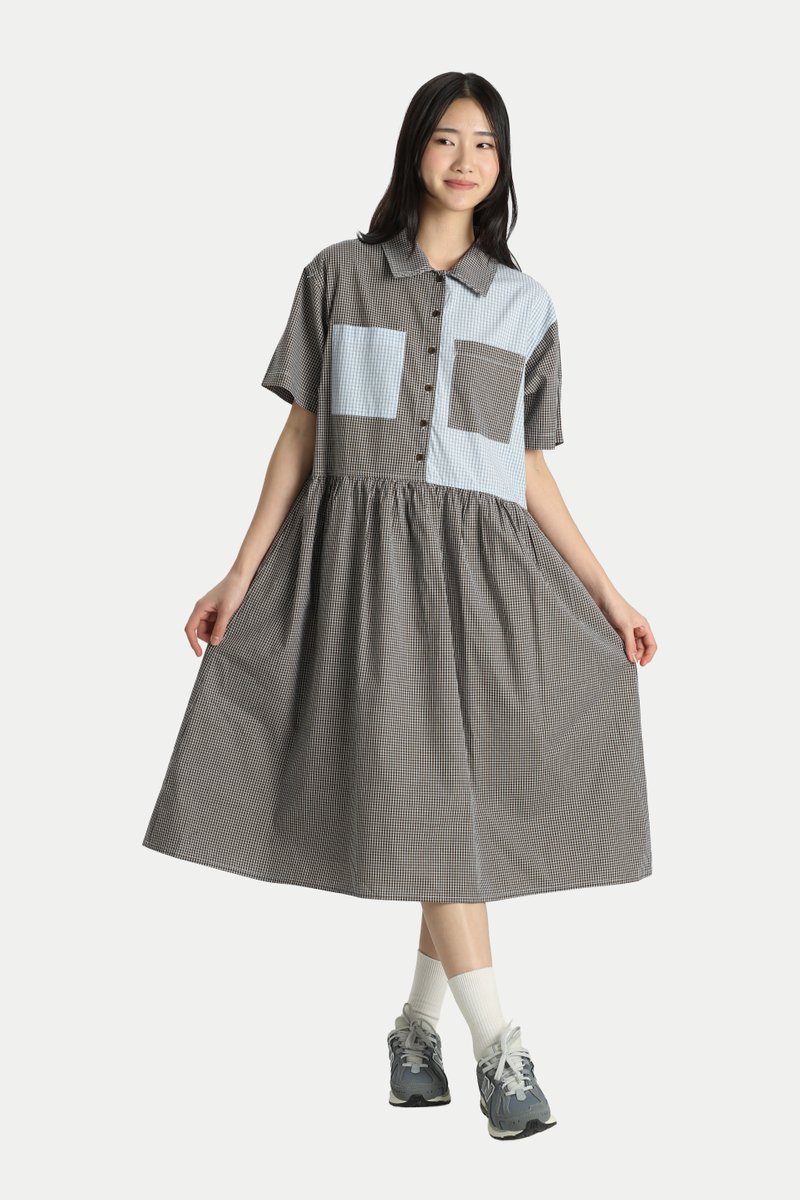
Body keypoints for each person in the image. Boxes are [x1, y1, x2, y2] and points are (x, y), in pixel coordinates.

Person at [142, 71, 656, 1143]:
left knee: (447, 806)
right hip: (361, 577)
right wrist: (238, 573)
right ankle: (497, 1047)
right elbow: (301, 434)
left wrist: (607, 593)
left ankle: (416, 1033)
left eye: (486, 144)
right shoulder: (337, 274)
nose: (466, 161)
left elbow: (524, 465)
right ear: (414, 149)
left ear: (503, 165)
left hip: (484, 581)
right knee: (434, 802)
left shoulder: (526, 303)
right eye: (446, 139)